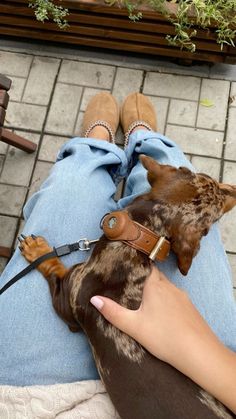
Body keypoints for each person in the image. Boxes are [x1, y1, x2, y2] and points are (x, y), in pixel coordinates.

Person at [0, 92, 235, 414]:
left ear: (186, 250)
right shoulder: (187, 246)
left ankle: (98, 144)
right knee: (175, 188)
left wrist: (52, 265)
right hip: (219, 384)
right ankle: (144, 139)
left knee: (71, 188)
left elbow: (72, 305)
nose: (230, 192)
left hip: (46, 400)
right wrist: (211, 357)